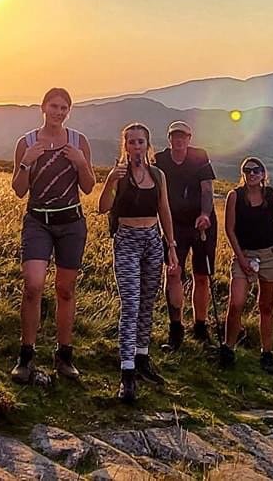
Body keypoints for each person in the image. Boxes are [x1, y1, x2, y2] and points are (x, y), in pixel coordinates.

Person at [10, 87, 96, 384]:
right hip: (38, 221)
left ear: (68, 112)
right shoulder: (27, 142)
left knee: (65, 290)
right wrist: (26, 163)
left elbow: (88, 187)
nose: (58, 112)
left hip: (71, 222)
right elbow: (19, 190)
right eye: (54, 106)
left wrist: (81, 163)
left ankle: (64, 355)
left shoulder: (78, 141)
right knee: (33, 286)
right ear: (43, 107)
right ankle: (26, 355)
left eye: (64, 108)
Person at [99, 123, 181, 403]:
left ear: (148, 145)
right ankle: (127, 372)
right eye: (132, 142)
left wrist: (170, 246)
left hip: (152, 239)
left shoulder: (157, 175)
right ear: (125, 146)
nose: (136, 147)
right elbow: (102, 207)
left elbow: (165, 210)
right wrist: (110, 180)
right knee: (131, 303)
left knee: (147, 301)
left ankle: (142, 356)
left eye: (141, 142)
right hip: (127, 239)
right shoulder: (119, 175)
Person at [154, 119, 216, 351]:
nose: (178, 140)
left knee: (202, 276)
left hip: (202, 224)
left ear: (189, 139)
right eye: (174, 136)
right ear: (169, 138)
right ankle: (176, 328)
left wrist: (205, 214)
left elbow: (207, 188)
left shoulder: (200, 156)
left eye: (183, 137)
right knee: (173, 273)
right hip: (173, 225)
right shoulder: (160, 160)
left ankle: (201, 327)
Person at [218, 156, 273, 373]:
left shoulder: (271, 195)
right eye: (247, 170)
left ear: (263, 174)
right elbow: (229, 229)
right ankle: (228, 348)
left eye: (256, 170)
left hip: (269, 255)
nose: (252, 174)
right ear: (243, 174)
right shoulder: (234, 196)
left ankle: (267, 353)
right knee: (236, 303)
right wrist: (242, 259)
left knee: (266, 305)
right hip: (244, 253)